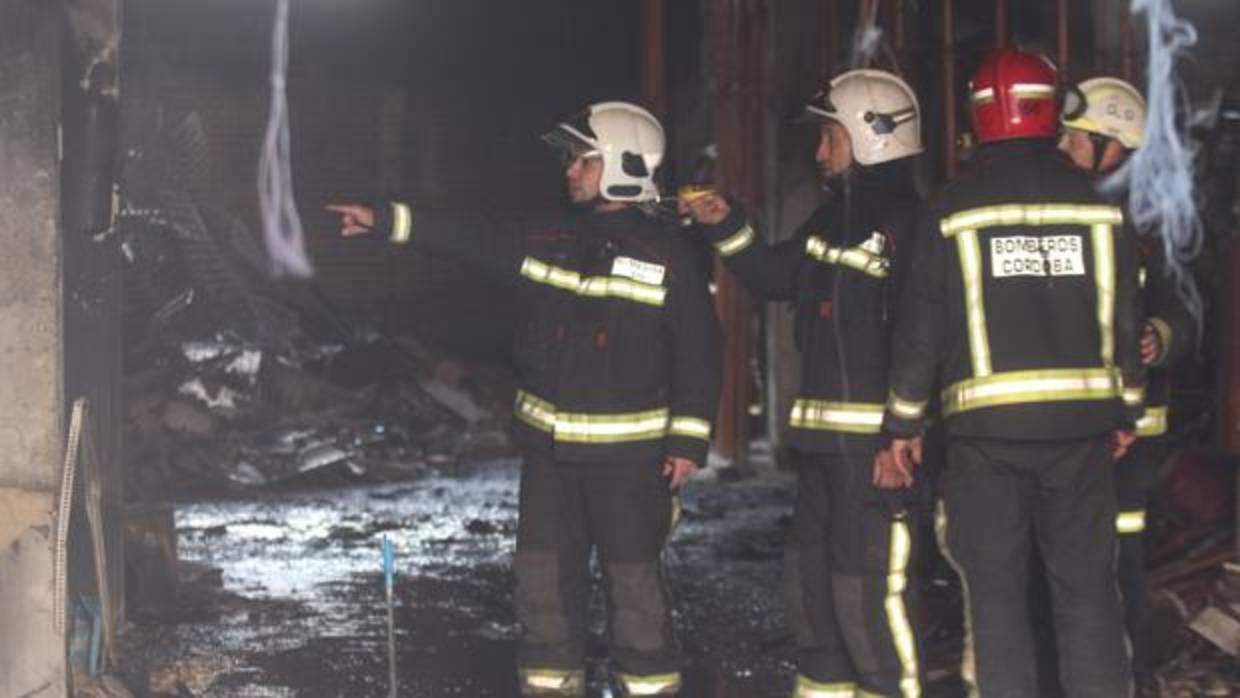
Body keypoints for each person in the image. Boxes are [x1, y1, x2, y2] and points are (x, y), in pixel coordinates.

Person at [327, 101, 721, 697]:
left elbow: (700, 350)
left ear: (622, 164)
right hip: (549, 461)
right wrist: (388, 220)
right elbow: (472, 240)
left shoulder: (672, 258)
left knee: (636, 597)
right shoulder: (551, 238)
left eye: (582, 159)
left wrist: (689, 440)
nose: (569, 169)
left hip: (629, 464)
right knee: (542, 593)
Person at [877, 48, 1145, 698]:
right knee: (1087, 598)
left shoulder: (951, 207)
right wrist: (1128, 410)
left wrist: (903, 424)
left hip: (984, 441)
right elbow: (1123, 317)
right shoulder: (1097, 208)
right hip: (1080, 434)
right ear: (1052, 112)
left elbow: (923, 327)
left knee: (997, 603)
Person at [682, 69, 923, 698]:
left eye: (829, 139)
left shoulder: (913, 229)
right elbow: (771, 276)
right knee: (810, 593)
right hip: (819, 448)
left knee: (865, 596)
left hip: (874, 454)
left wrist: (902, 435)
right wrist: (722, 224)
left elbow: (925, 340)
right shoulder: (828, 223)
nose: (819, 154)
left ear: (872, 138)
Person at [1061, 76, 1196, 690]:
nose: (1065, 146)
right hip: (1064, 424)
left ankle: (1131, 679)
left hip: (1132, 436)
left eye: (1079, 137)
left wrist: (1162, 335)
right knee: (1061, 564)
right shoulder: (1054, 201)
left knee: (1120, 566)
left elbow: (1192, 306)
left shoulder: (1153, 220)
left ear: (1115, 145)